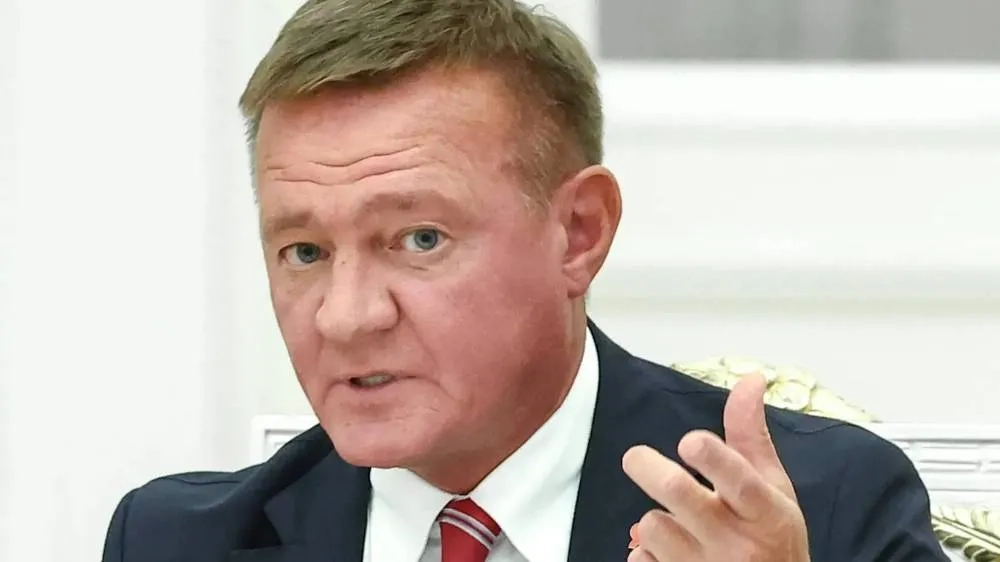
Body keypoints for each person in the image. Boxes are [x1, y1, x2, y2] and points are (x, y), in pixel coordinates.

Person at [101, 1, 947, 561]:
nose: (346, 318)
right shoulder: (175, 542)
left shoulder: (816, 514)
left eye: (419, 239)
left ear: (579, 233)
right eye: (304, 252)